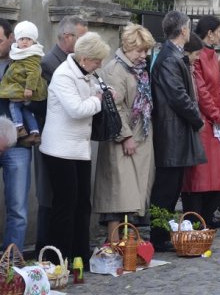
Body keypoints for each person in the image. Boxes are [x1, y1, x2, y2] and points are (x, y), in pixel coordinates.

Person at [39, 32, 110, 266]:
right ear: (84, 58)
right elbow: (76, 109)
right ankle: (58, 258)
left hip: (79, 149)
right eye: (97, 60)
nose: (99, 65)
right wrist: (99, 100)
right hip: (59, 150)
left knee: (82, 204)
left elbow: (92, 98)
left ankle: (80, 254)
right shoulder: (63, 76)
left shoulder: (87, 74)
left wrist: (104, 95)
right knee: (64, 205)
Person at [93, 24, 156, 243]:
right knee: (118, 193)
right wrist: (126, 136)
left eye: (145, 50)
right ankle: (113, 242)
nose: (144, 55)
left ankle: (129, 241)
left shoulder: (137, 69)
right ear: (128, 47)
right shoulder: (115, 69)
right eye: (140, 50)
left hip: (141, 134)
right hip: (122, 139)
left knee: (134, 194)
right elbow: (115, 107)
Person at [149, 11, 205, 251]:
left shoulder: (173, 55)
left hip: (176, 129)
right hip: (171, 129)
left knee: (172, 186)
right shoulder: (170, 58)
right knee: (166, 187)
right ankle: (158, 235)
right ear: (184, 30)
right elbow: (178, 96)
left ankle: (163, 231)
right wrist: (197, 118)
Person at [35, 15, 88, 253]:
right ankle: (49, 251)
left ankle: (77, 251)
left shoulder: (76, 62)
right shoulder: (50, 64)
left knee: (76, 200)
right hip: (55, 140)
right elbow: (47, 106)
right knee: (56, 200)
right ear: (68, 37)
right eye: (82, 38)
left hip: (75, 141)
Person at [180, 16, 220, 228]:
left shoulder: (212, 56)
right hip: (204, 120)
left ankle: (209, 214)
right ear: (210, 33)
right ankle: (197, 216)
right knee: (200, 173)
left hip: (214, 120)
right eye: (219, 31)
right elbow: (200, 89)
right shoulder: (199, 55)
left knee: (216, 172)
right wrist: (215, 113)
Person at [0, 18, 32, 252]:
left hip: (19, 143)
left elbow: (41, 100)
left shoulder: (27, 61)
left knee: (18, 207)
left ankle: (12, 264)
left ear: (11, 38)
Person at [0, 21, 47, 145]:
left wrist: (28, 93)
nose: (25, 42)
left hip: (19, 144)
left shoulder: (30, 58)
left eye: (0, 41)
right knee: (23, 110)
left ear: (11, 38)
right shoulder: (19, 56)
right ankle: (33, 132)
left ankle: (22, 129)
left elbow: (34, 74)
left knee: (17, 107)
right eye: (22, 39)